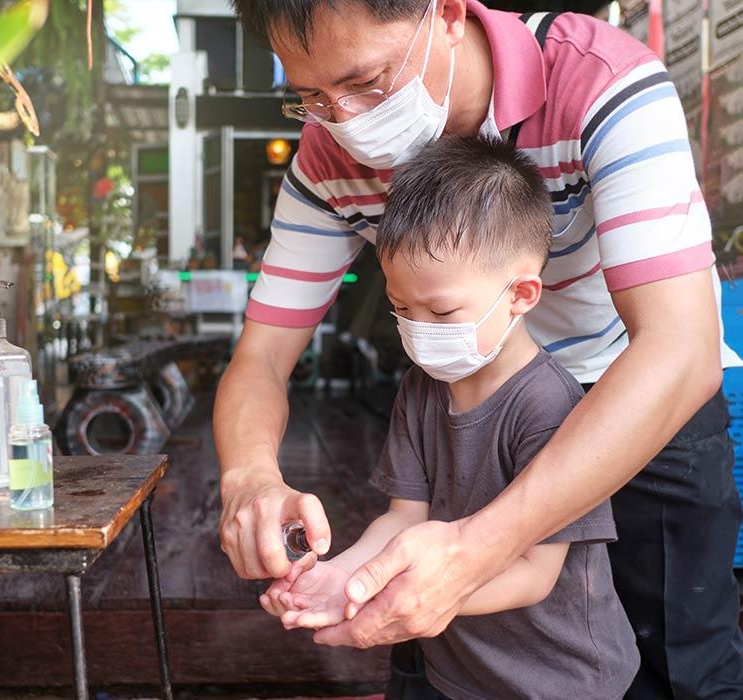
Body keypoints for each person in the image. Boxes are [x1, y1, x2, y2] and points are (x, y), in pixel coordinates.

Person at [215, 0, 743, 696]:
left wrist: (473, 552)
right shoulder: (328, 158)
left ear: (449, 13)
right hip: (463, 396)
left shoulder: (603, 82)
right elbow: (262, 357)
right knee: (431, 643)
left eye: (367, 83)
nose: (344, 120)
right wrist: (249, 478)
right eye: (312, 97)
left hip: (634, 395)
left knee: (680, 665)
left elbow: (681, 351)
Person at [261, 134, 640, 699]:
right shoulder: (421, 388)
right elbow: (402, 519)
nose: (418, 328)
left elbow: (536, 574)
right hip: (462, 672)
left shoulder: (549, 405)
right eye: (401, 308)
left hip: (562, 678)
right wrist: (344, 577)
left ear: (521, 294)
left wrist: (397, 596)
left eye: (440, 310)